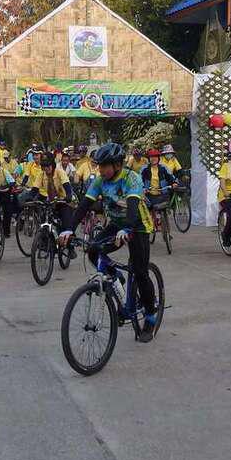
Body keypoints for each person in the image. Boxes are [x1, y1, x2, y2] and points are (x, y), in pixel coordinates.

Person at [59, 143, 157, 343]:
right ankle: (116, 277)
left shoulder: (131, 178)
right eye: (99, 165)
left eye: (104, 166)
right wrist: (69, 228)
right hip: (116, 224)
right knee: (93, 250)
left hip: (138, 226)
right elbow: (84, 206)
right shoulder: (100, 181)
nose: (100, 170)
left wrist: (127, 229)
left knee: (140, 272)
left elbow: (132, 208)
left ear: (117, 165)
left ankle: (150, 316)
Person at [28, 154, 75, 236]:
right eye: (44, 166)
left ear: (52, 165)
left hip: (64, 201)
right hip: (51, 201)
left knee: (66, 224)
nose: (47, 168)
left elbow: (67, 185)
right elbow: (35, 188)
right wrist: (29, 198)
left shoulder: (60, 172)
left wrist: (68, 196)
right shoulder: (41, 174)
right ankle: (43, 239)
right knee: (44, 219)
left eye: (48, 166)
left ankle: (68, 239)